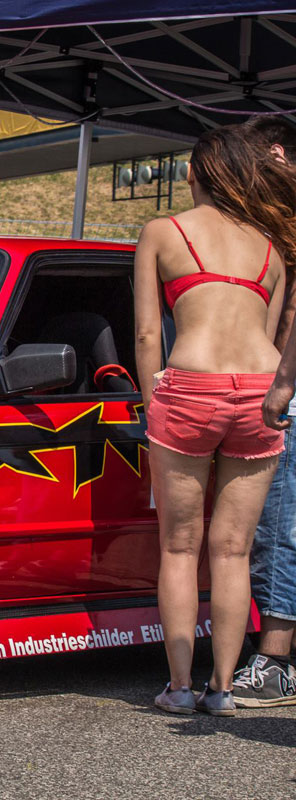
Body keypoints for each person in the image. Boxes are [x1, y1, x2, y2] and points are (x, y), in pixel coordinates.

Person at [135, 124, 295, 716]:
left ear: (192, 175)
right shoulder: (272, 246)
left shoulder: (162, 231)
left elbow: (150, 332)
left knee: (180, 547)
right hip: (260, 392)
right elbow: (272, 334)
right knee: (232, 550)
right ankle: (224, 689)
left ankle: (179, 687)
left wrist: (153, 397)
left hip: (191, 389)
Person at [249, 119, 296, 708]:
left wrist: (280, 386)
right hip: (272, 388)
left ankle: (277, 658)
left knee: (278, 526)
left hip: (284, 392)